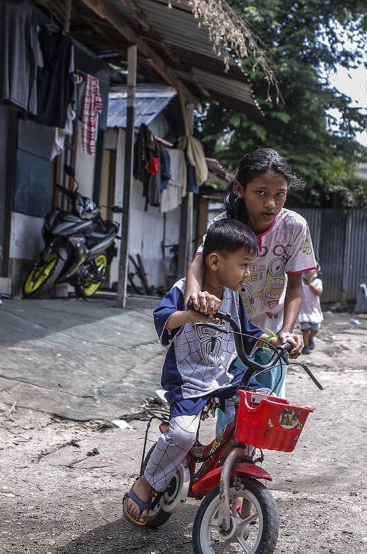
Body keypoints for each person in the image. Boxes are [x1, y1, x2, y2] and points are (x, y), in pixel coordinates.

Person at [122, 219, 302, 526]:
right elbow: (162, 319)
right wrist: (190, 314)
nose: (247, 274)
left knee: (258, 409)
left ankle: (232, 481)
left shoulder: (233, 297)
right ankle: (147, 482)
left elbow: (249, 331)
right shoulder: (183, 290)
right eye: (244, 265)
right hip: (189, 380)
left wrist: (278, 339)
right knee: (182, 434)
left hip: (225, 379)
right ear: (216, 262)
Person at [184, 148, 316, 395]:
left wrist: (286, 332)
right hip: (227, 331)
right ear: (239, 189)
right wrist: (194, 300)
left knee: (267, 410)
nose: (270, 203)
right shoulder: (223, 225)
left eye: (280, 195)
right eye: (261, 193)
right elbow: (198, 264)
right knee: (231, 409)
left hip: (270, 333)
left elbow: (296, 284)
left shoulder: (294, 227)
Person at [299, 268, 324, 354]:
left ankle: (310, 338)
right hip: (303, 310)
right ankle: (306, 346)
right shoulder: (300, 281)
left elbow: (318, 293)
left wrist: (310, 283)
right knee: (305, 329)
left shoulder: (317, 281)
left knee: (315, 329)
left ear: (316, 271)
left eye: (311, 269)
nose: (307, 271)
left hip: (314, 310)